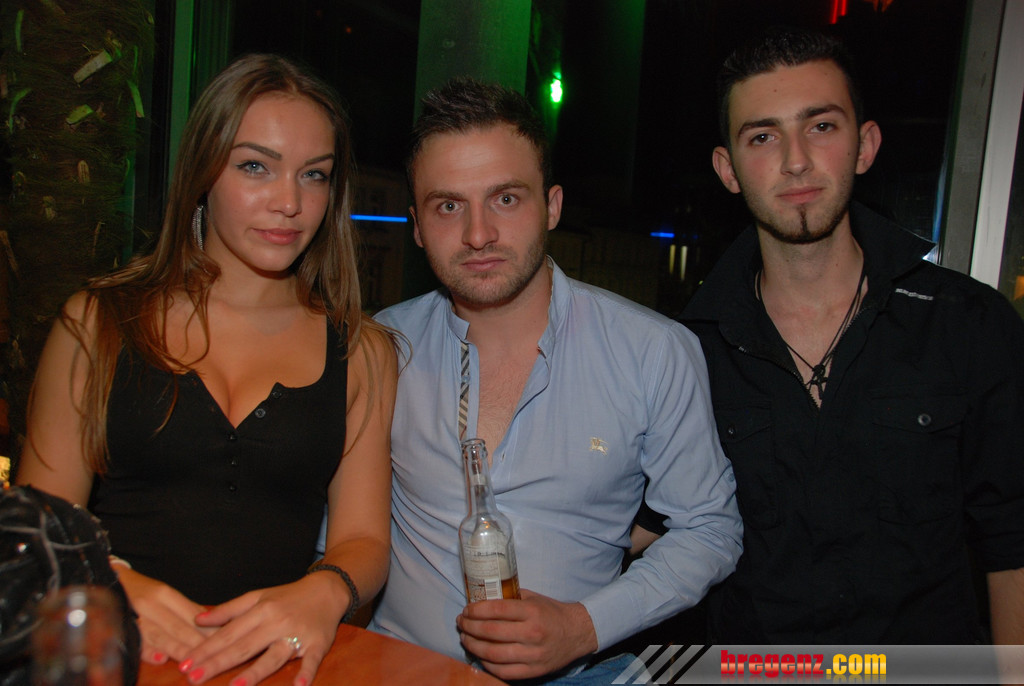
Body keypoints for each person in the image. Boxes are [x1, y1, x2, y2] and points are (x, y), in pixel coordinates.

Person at [16, 53, 398, 685]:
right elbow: (37, 526)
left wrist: (326, 590)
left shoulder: (361, 350)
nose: (290, 202)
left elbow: (364, 540)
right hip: (118, 661)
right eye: (255, 166)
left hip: (272, 670)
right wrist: (108, 580)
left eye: (314, 175)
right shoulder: (99, 324)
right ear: (202, 172)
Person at [368, 77, 743, 683]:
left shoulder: (652, 352)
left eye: (505, 198)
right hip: (403, 669)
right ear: (415, 225)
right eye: (448, 206)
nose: (478, 234)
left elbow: (710, 528)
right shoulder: (382, 349)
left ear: (552, 205)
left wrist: (583, 626)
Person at [673, 26, 1024, 643]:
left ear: (865, 145)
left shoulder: (967, 323)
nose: (796, 160)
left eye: (821, 126)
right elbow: (631, 522)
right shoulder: (686, 352)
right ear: (728, 169)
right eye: (763, 136)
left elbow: (1014, 545)